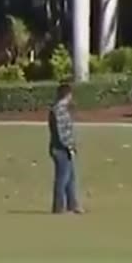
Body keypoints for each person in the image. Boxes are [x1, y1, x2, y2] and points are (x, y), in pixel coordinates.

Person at [47, 83, 83, 214]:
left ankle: (72, 205)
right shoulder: (59, 110)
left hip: (64, 148)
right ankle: (58, 207)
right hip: (61, 149)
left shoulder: (62, 109)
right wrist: (69, 147)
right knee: (62, 179)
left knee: (70, 178)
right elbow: (62, 133)